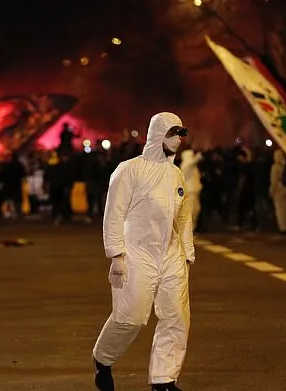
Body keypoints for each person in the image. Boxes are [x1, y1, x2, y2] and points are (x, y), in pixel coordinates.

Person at [93, 112, 195, 391]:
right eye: (173, 133)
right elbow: (113, 214)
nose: (178, 140)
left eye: (180, 134)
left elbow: (183, 215)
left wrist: (187, 250)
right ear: (157, 135)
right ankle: (103, 359)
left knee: (176, 316)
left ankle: (164, 380)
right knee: (131, 317)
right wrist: (116, 255)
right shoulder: (129, 170)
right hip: (136, 254)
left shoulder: (176, 174)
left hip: (170, 255)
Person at [270, 150, 286, 234]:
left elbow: (274, 181)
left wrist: (272, 191)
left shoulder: (275, 167)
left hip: (279, 191)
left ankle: (283, 227)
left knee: (280, 210)